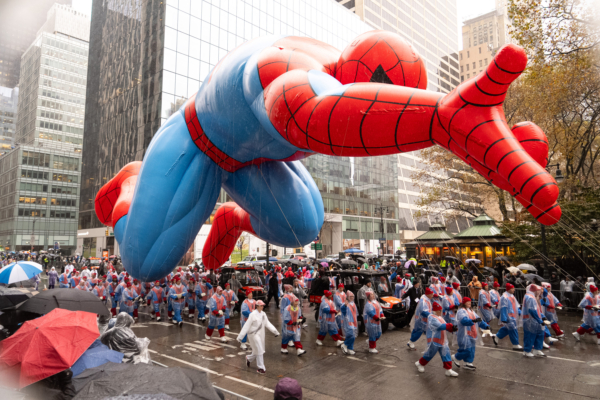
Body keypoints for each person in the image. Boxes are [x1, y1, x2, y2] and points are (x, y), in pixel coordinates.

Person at [415, 302, 458, 377]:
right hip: (434, 341)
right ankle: (420, 363)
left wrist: (452, 329)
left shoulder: (439, 317)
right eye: (440, 310)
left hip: (442, 341)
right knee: (429, 354)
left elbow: (445, 326)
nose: (441, 312)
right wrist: (450, 326)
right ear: (436, 311)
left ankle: (448, 370)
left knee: (446, 354)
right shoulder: (432, 318)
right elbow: (440, 326)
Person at [237, 300, 279, 375]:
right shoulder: (252, 315)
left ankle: (249, 358)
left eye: (263, 305)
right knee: (259, 349)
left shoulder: (263, 314)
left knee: (257, 350)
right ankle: (261, 368)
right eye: (261, 305)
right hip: (253, 335)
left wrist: (275, 331)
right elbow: (246, 326)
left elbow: (267, 323)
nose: (263, 307)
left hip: (261, 334)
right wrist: (240, 337)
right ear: (257, 306)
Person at [452, 297, 488, 370]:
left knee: (472, 349)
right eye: (467, 302)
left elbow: (478, 319)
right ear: (464, 303)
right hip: (464, 334)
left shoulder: (471, 311)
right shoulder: (461, 311)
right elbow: (463, 320)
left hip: (472, 333)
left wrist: (486, 326)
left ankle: (468, 363)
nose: (469, 303)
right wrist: (474, 321)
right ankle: (456, 357)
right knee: (467, 349)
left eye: (470, 302)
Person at [521, 284, 549, 357]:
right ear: (534, 290)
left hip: (534, 319)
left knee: (539, 333)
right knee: (530, 335)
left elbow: (536, 309)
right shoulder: (530, 298)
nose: (539, 292)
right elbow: (532, 310)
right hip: (530, 320)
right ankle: (527, 351)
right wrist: (539, 320)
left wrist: (542, 317)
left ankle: (537, 349)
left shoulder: (532, 297)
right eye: (538, 290)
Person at [493, 283, 522, 349]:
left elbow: (516, 306)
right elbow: (503, 308)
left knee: (507, 329)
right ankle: (515, 344)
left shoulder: (512, 296)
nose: (514, 289)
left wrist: (521, 313)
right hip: (508, 316)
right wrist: (504, 318)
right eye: (512, 288)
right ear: (509, 289)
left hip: (513, 315)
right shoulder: (504, 297)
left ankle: (497, 336)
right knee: (513, 329)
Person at [340, 290, 358, 355]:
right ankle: (345, 344)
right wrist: (345, 305)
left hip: (353, 322)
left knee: (352, 336)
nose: (352, 297)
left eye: (353, 296)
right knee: (351, 335)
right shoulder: (345, 304)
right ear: (347, 297)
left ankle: (350, 348)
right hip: (348, 323)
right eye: (350, 296)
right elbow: (343, 309)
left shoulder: (353, 304)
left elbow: (355, 314)